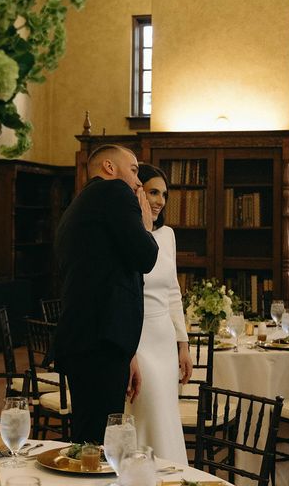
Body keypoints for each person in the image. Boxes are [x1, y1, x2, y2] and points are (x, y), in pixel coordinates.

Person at [52, 144, 159, 443]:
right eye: (135, 170)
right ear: (110, 168)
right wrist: (146, 226)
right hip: (99, 343)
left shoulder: (81, 203)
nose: (139, 182)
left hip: (90, 339)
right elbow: (145, 257)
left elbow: (102, 275)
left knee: (89, 437)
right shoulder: (114, 192)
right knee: (97, 444)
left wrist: (127, 353)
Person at [127, 163, 193, 464]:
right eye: (153, 192)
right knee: (144, 414)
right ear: (137, 190)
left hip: (164, 339)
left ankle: (171, 475)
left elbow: (172, 292)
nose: (160, 201)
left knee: (166, 417)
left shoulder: (167, 235)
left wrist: (183, 343)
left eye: (164, 194)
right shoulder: (125, 233)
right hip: (136, 335)